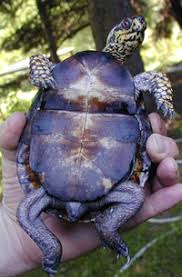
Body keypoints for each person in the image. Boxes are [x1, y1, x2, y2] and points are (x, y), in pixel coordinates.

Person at [0, 112, 181, 277]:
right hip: (89, 191)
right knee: (135, 195)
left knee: (25, 213)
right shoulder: (54, 79)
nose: (74, 211)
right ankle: (103, 228)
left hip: (56, 190)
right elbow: (134, 195)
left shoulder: (53, 80)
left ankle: (99, 230)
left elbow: (25, 214)